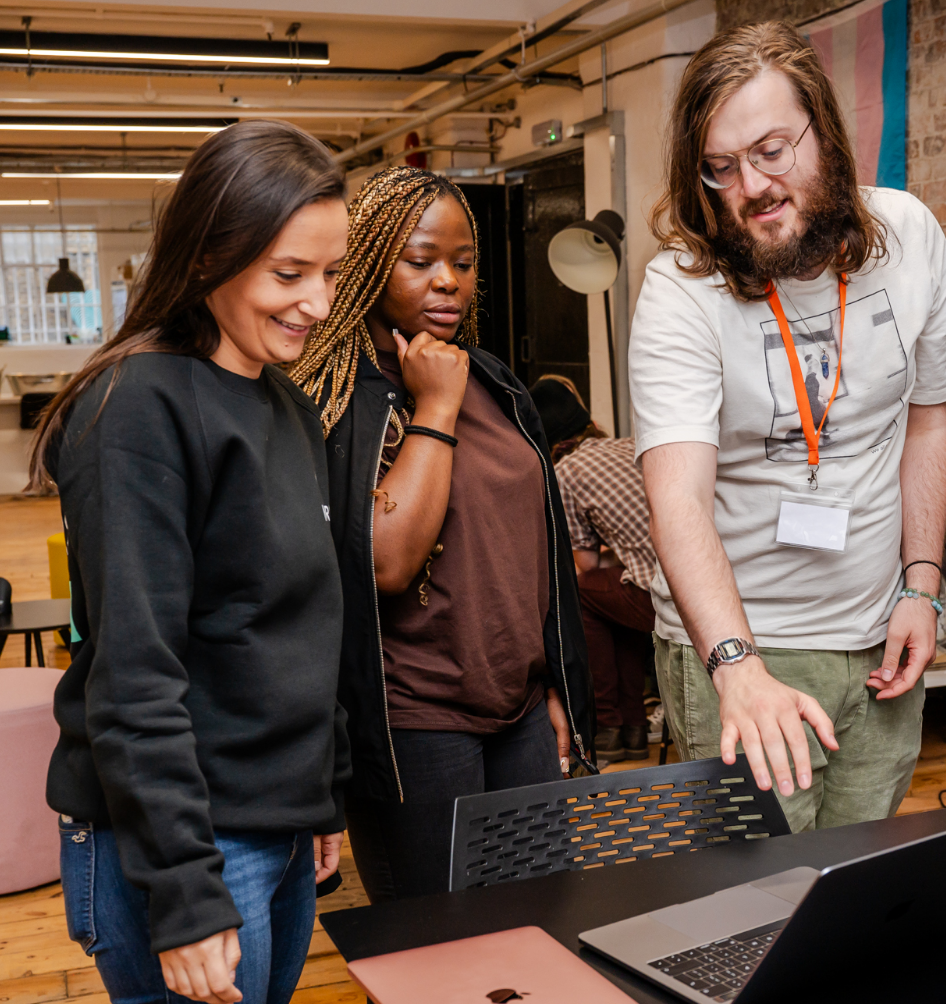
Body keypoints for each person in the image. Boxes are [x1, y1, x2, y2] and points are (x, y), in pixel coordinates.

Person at [29, 121, 351, 1004]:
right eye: (290, 275)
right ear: (210, 254)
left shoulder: (284, 403)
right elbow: (135, 672)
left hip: (273, 819)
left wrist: (318, 794)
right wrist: (183, 890)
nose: (317, 304)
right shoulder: (135, 408)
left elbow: (297, 625)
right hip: (188, 838)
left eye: (330, 274)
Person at [630, 21, 946, 832]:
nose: (753, 185)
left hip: (881, 643)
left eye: (774, 150)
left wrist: (922, 584)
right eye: (722, 166)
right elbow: (678, 502)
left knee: (860, 897)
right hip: (744, 647)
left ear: (826, 135)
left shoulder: (910, 237)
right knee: (752, 920)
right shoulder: (679, 290)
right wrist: (737, 667)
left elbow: (929, 417)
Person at [290, 166, 595, 902]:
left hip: (517, 709)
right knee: (435, 954)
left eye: (462, 263)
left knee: (539, 922)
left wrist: (553, 681)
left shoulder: (492, 380)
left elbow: (536, 545)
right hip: (414, 724)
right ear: (366, 266)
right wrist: (434, 405)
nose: (447, 282)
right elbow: (386, 563)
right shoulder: (338, 400)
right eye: (420, 261)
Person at [531, 376, 657, 762]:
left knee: (584, 594)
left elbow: (585, 565)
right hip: (684, 582)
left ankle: (609, 727)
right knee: (613, 592)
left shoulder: (565, 473)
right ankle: (634, 727)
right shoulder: (626, 445)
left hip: (656, 595)